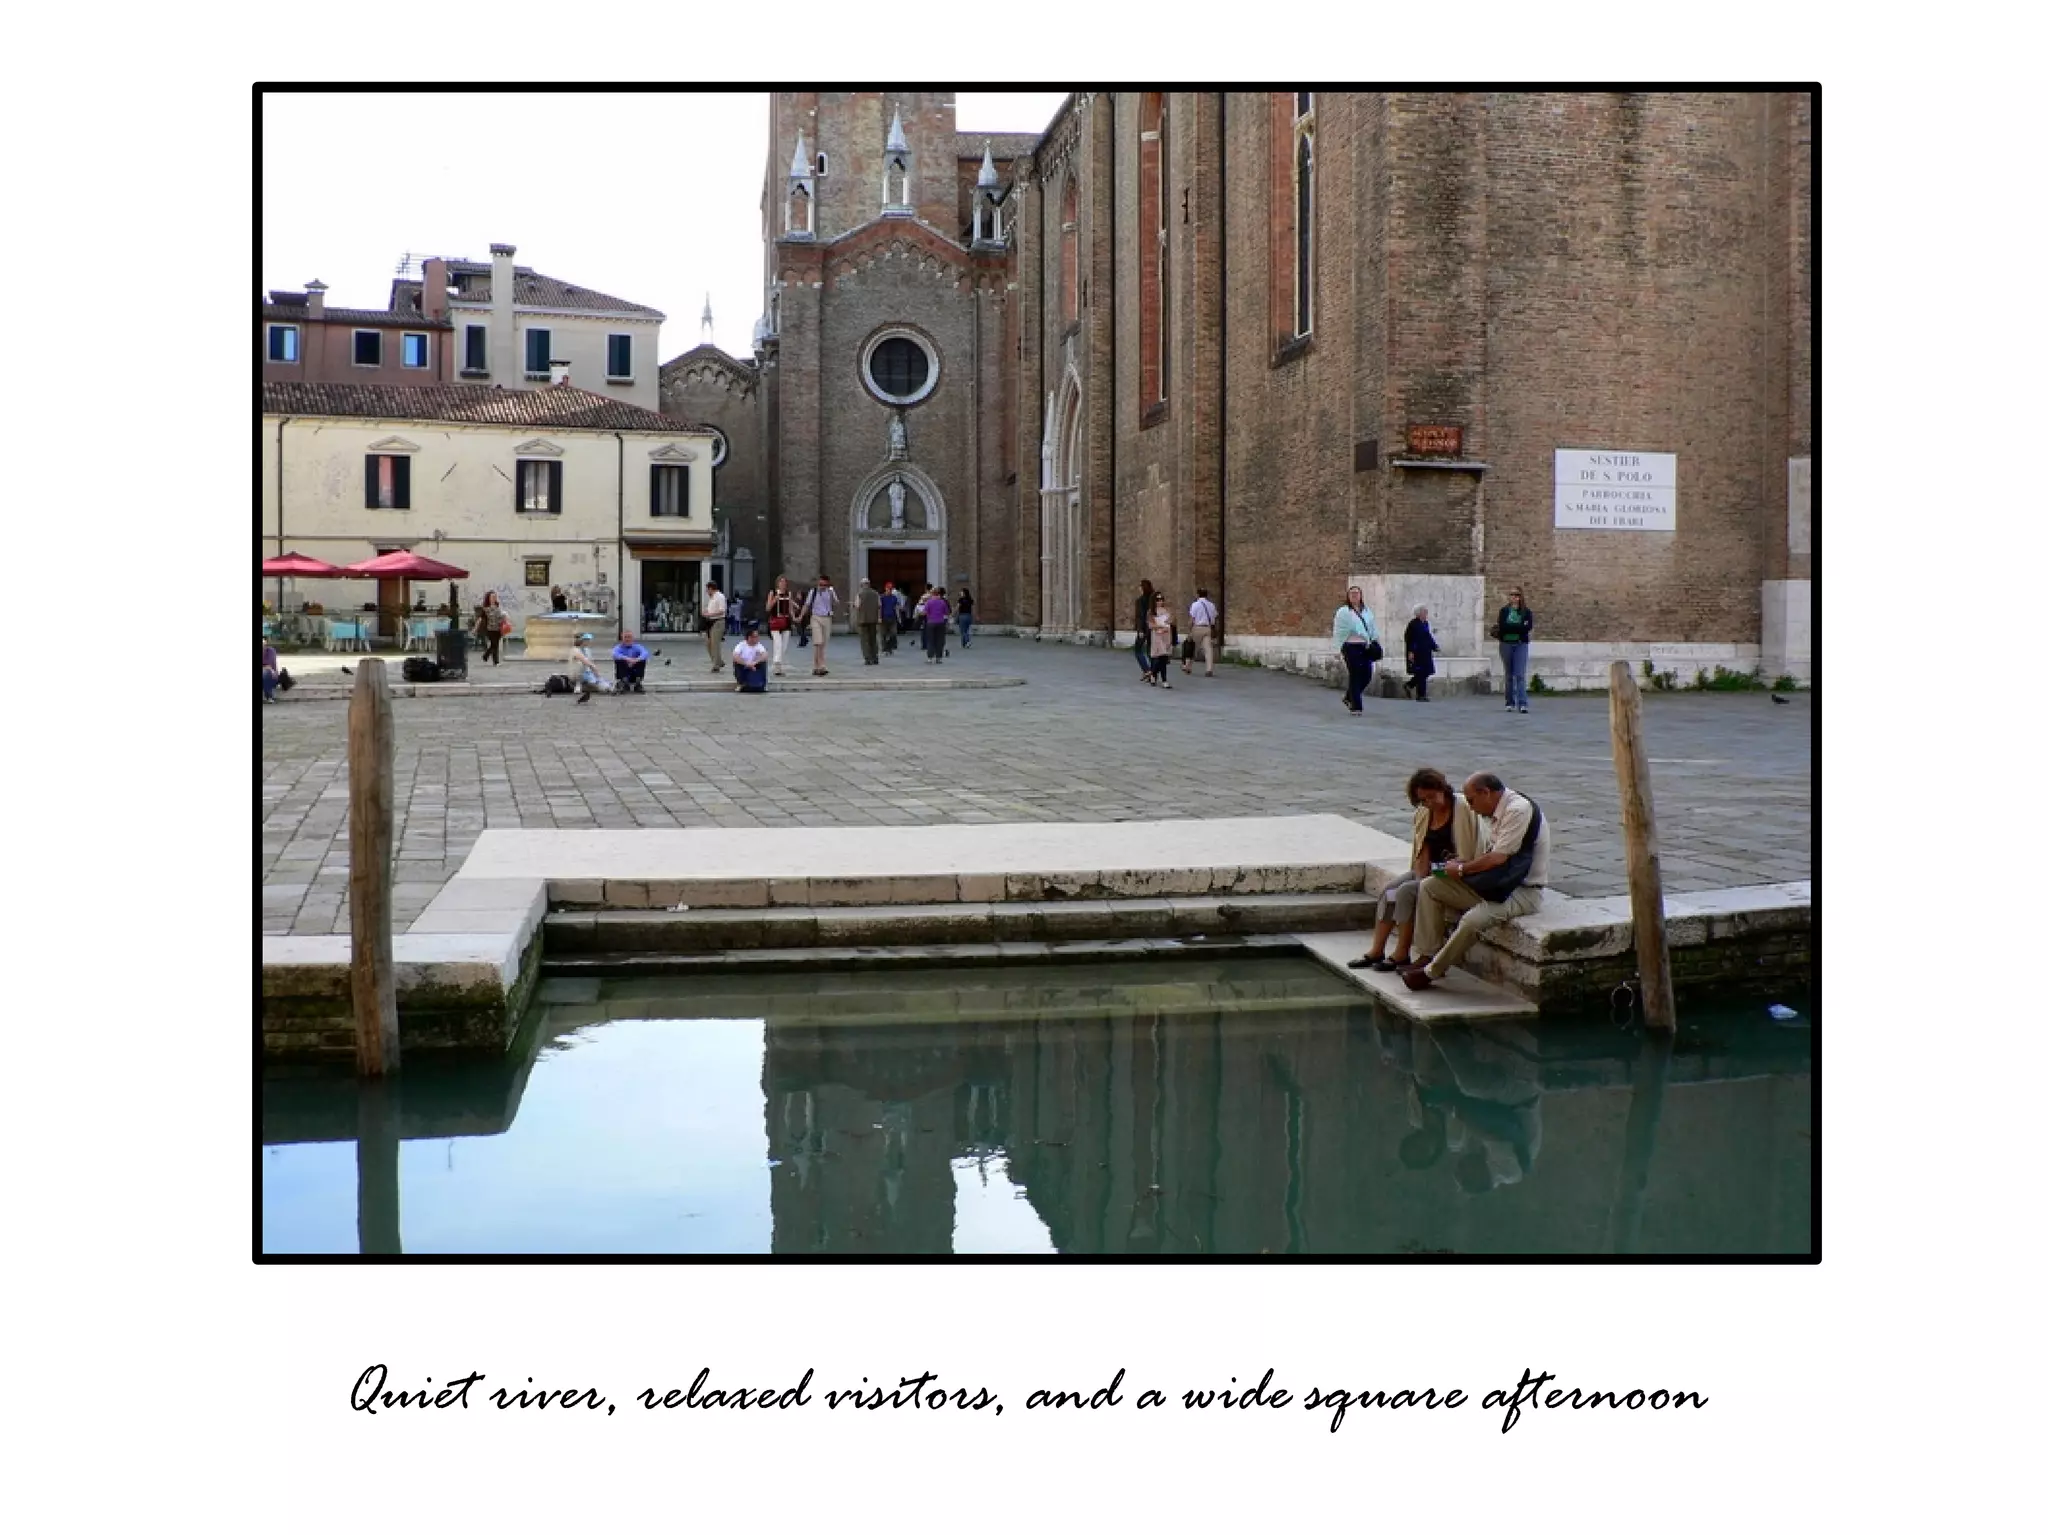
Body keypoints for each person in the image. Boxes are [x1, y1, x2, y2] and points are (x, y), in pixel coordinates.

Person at [1403, 772, 1551, 990]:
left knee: (1472, 920)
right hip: (1498, 884)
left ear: (1486, 793)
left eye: (1472, 801)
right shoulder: (1498, 809)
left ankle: (1431, 971)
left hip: (1523, 892)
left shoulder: (1517, 810)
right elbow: (1493, 856)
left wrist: (1462, 869)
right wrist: (1462, 865)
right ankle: (1427, 954)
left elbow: (1498, 857)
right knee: (1429, 886)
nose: (1471, 808)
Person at [1350, 768, 1481, 971]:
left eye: (1431, 797)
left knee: (1406, 892)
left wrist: (1428, 878)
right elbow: (1422, 850)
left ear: (1442, 789)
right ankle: (1377, 950)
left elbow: (1469, 853)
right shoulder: (1424, 812)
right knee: (1390, 891)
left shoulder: (1462, 808)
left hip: (1455, 871)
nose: (1429, 803)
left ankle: (1402, 953)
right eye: (1423, 800)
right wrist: (1420, 875)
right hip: (1432, 869)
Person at [1333, 586, 1379, 714]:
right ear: (1348, 596)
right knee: (1355, 675)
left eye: (1356, 593)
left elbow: (1372, 628)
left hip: (1365, 646)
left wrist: (1374, 640)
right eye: (1352, 593)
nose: (1354, 595)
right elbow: (1339, 630)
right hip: (1350, 646)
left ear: (1361, 595)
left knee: (1367, 675)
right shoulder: (1343, 612)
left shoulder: (1367, 611)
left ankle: (1349, 697)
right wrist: (1338, 648)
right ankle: (1356, 706)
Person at [1494, 585, 1534, 713]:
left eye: (1517, 595)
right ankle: (1509, 702)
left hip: (1520, 644)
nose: (1514, 597)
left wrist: (1513, 627)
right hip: (1506, 644)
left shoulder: (1526, 612)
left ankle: (1522, 703)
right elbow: (1503, 626)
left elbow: (1527, 628)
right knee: (1509, 675)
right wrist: (1518, 626)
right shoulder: (1504, 611)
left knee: (1520, 674)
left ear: (1521, 597)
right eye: (1512, 594)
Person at [799, 574, 839, 674]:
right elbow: (807, 605)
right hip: (816, 617)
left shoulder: (830, 592)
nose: (822, 587)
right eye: (820, 584)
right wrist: (800, 616)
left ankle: (818, 666)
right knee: (818, 642)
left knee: (823, 644)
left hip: (827, 618)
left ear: (828, 584)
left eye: (824, 585)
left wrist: (833, 596)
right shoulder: (813, 592)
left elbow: (836, 603)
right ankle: (819, 665)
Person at [1403, 604, 1440, 702]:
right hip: (1417, 652)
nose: (1426, 614)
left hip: (1426, 652)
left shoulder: (1425, 623)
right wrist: (1411, 651)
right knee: (1421, 672)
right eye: (1424, 612)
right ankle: (1421, 695)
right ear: (1419, 613)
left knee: (1426, 672)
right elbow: (1409, 638)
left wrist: (1434, 646)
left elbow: (1428, 637)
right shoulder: (1413, 624)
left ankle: (1409, 685)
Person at [764, 575, 799, 676]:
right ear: (777, 583)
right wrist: (775, 599)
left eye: (784, 582)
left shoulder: (789, 593)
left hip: (786, 621)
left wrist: (794, 618)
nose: (783, 584)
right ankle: (777, 665)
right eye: (781, 582)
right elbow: (767, 608)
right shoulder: (773, 593)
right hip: (775, 620)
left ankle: (778, 664)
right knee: (778, 643)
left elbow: (790, 608)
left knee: (784, 646)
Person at [1145, 592, 1177, 687]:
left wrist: (1170, 621)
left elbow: (1173, 621)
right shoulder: (1151, 611)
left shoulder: (1166, 610)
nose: (1160, 601)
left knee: (1164, 658)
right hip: (1157, 635)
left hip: (1166, 634)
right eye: (1158, 600)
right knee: (1160, 656)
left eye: (1162, 599)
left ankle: (1154, 675)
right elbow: (1150, 625)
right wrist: (1160, 625)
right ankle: (1160, 678)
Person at [1187, 588, 1219, 676]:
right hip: (1208, 628)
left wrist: (1189, 630)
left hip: (1197, 628)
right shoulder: (1211, 605)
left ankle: (1188, 666)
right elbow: (1215, 617)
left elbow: (1192, 619)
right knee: (1208, 649)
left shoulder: (1195, 604)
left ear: (1198, 594)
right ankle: (1209, 669)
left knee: (1193, 648)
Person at [701, 581, 728, 673]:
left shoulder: (720, 597)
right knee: (708, 643)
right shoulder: (712, 598)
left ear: (711, 589)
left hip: (718, 621)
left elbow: (722, 610)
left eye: (707, 590)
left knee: (715, 643)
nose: (707, 592)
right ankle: (718, 661)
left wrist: (710, 614)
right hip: (710, 622)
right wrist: (706, 612)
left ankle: (716, 665)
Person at [471, 591, 505, 665]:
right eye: (492, 597)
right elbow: (480, 619)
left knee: (494, 645)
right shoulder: (485, 609)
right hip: (490, 629)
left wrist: (504, 619)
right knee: (494, 645)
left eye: (495, 597)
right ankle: (495, 662)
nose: (494, 598)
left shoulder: (497, 607)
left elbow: (500, 617)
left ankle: (486, 656)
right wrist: (475, 628)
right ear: (488, 598)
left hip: (498, 629)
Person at [732, 626, 769, 693]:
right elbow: (735, 656)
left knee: (763, 662)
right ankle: (740, 683)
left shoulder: (759, 645)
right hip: (744, 665)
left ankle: (764, 684)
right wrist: (746, 664)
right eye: (755, 637)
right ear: (749, 637)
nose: (757, 639)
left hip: (755, 665)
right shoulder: (741, 645)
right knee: (736, 662)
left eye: (757, 636)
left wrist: (755, 662)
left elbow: (765, 655)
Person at [1132, 579, 1156, 678]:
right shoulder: (1154, 599)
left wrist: (1140, 630)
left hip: (1144, 628)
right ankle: (1153, 672)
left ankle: (1147, 670)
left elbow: (1140, 616)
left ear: (1142, 588)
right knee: (1151, 650)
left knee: (1138, 650)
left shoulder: (1140, 601)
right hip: (1154, 627)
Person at [855, 577, 882, 665]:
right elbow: (879, 605)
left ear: (862, 585)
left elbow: (857, 606)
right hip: (873, 619)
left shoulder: (860, 594)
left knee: (865, 640)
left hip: (863, 620)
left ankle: (868, 658)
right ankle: (875, 657)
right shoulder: (876, 594)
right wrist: (879, 617)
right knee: (873, 639)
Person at [570, 632, 603, 703]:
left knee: (601, 686)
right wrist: (597, 674)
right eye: (587, 640)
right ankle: (578, 684)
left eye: (589, 640)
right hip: (577, 674)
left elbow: (591, 662)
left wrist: (597, 676)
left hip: (587, 673)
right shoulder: (575, 650)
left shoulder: (587, 650)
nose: (589, 641)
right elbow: (587, 663)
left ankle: (591, 685)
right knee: (580, 664)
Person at [921, 585, 951, 663]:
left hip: (931, 623)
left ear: (932, 594)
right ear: (938, 594)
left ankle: (930, 658)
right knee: (939, 640)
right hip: (940, 623)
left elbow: (924, 612)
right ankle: (938, 658)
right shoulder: (942, 602)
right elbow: (947, 612)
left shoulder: (929, 602)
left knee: (930, 640)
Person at [879, 581, 901, 654]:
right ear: (885, 588)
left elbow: (896, 607)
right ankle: (884, 648)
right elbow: (879, 608)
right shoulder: (882, 597)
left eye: (891, 589)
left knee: (893, 633)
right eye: (888, 588)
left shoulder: (894, 598)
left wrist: (899, 617)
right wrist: (879, 617)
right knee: (883, 634)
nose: (889, 590)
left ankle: (889, 646)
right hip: (884, 618)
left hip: (892, 617)